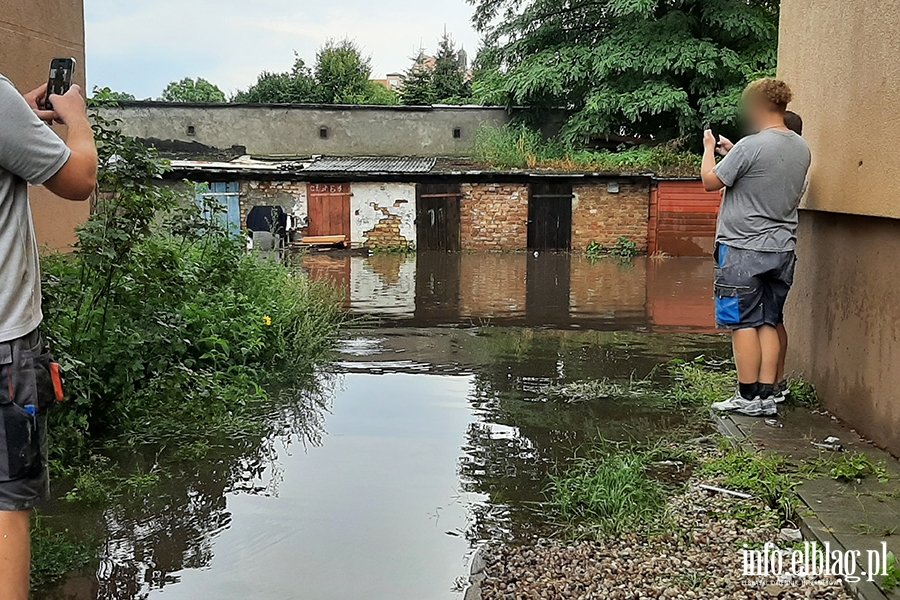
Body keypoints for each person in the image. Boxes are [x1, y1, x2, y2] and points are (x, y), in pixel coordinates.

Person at [0, 74, 97, 600]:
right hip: (4, 348)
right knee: (6, 506)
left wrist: (19, 115)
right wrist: (76, 120)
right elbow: (79, 179)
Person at [700, 79, 811, 417]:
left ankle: (746, 398)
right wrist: (735, 153)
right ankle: (767, 396)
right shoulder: (800, 147)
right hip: (781, 249)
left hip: (742, 248)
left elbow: (710, 181)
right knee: (769, 319)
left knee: (742, 322)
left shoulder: (752, 145)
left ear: (759, 105)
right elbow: (764, 175)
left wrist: (708, 149)